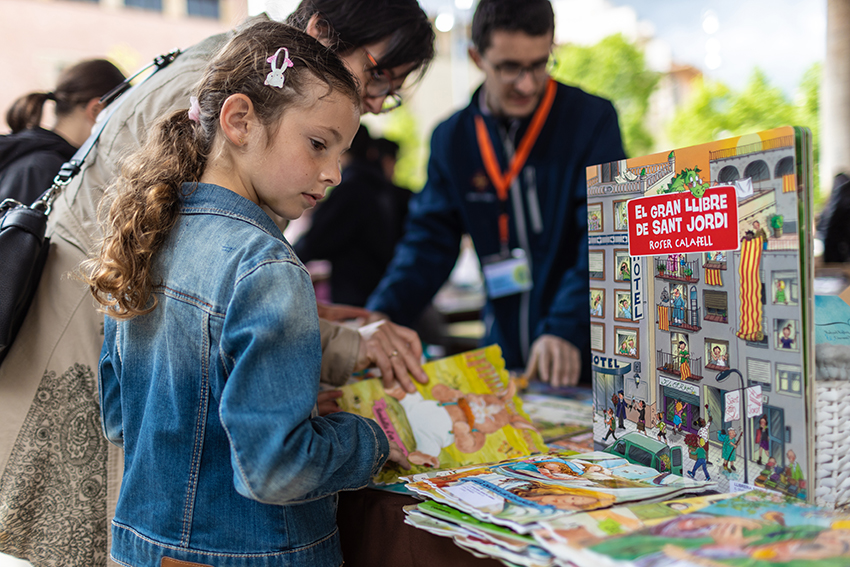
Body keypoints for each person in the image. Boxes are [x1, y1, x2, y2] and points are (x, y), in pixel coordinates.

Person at [0, 3, 435, 566]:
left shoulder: (144, 237)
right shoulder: (265, 265)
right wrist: (371, 438)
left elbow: (121, 414)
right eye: (319, 145)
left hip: (144, 544)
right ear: (239, 121)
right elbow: (277, 467)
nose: (335, 173)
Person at [365, 0, 625, 387]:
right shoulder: (452, 140)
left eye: (539, 64)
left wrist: (566, 327)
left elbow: (604, 233)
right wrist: (378, 318)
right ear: (476, 57)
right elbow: (427, 245)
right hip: (503, 358)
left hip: (583, 355)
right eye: (509, 68)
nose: (527, 83)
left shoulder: (591, 120)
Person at [294, 125, 411, 306]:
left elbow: (317, 240)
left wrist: (283, 261)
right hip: (388, 292)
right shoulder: (383, 188)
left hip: (359, 298)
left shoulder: (353, 189)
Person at [0, 59, 125, 204]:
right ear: (96, 111)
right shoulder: (44, 168)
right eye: (121, 119)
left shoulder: (40, 160)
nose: (122, 130)